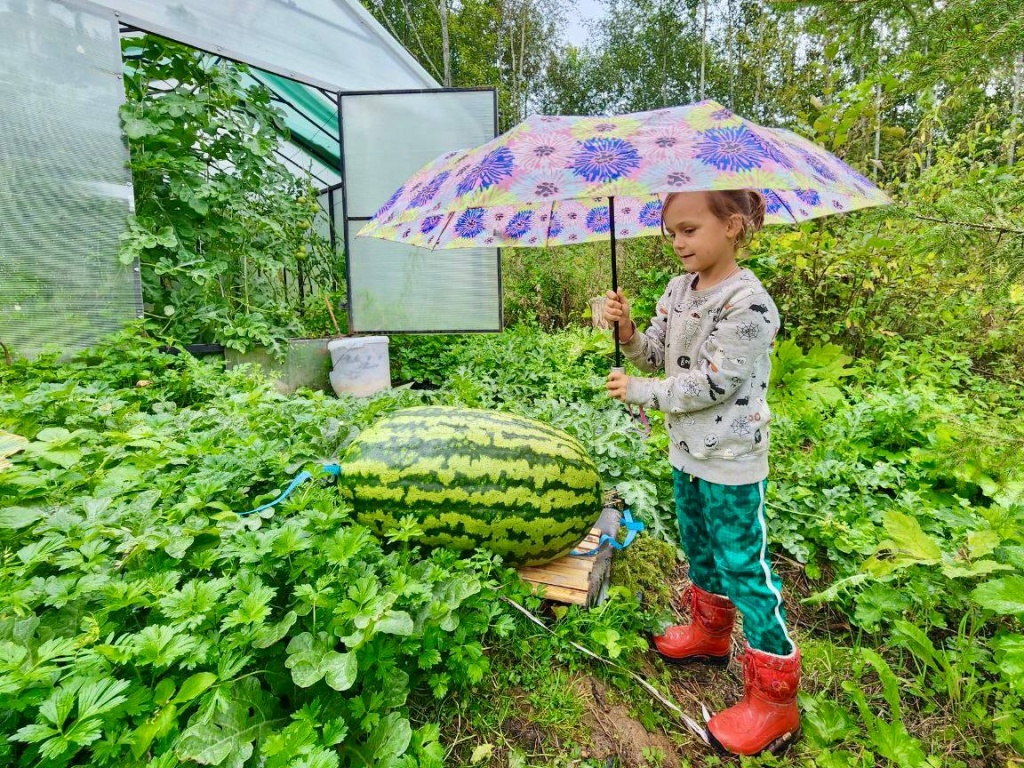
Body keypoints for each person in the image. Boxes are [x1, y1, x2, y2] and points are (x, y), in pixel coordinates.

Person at [603, 190, 799, 756]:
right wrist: (626, 333)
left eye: (689, 229)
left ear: (733, 226)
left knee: (745, 568)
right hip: (685, 453)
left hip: (733, 461)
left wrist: (645, 392)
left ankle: (775, 700)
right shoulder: (677, 290)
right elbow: (655, 354)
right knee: (699, 548)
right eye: (671, 233)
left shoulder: (749, 304)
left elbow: (715, 382)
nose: (679, 242)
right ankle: (710, 637)